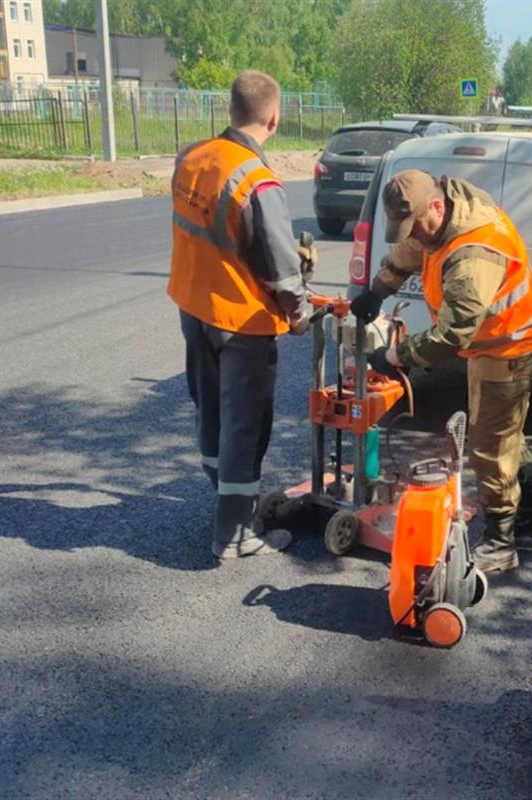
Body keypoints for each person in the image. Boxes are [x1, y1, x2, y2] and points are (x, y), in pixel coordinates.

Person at [350, 170, 532, 573]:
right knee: (504, 432)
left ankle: (501, 542)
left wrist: (396, 357)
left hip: (509, 347)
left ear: (437, 207)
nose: (415, 235)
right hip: (495, 342)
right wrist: (377, 290)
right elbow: (412, 249)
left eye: (418, 225)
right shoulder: (441, 219)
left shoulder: (474, 251)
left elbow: (453, 333)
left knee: (489, 445)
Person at [167, 70, 317, 560]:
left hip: (195, 308)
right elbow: (281, 275)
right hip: (241, 322)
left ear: (231, 110)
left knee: (209, 407)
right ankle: (235, 535)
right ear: (274, 117)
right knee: (244, 424)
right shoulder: (257, 179)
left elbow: (223, 234)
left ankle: (222, 491)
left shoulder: (192, 158)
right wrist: (301, 314)